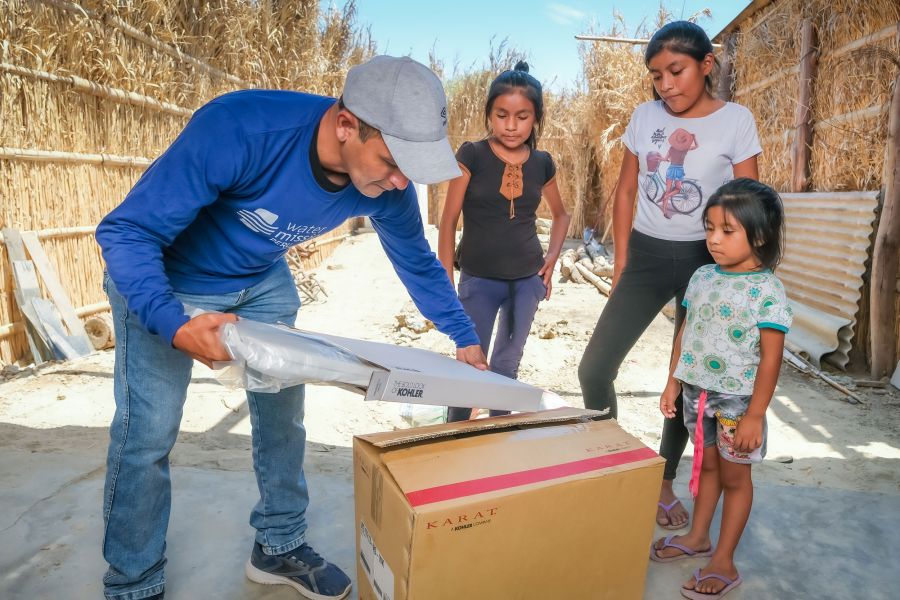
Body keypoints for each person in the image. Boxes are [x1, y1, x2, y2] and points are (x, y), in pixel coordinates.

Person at [95, 55, 488, 600]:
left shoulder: (389, 187)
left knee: (282, 417)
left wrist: (463, 337)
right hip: (167, 278)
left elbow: (418, 262)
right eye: (391, 161)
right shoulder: (243, 128)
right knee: (147, 436)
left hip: (260, 281)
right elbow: (126, 233)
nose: (401, 181)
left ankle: (278, 545)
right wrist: (173, 326)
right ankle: (134, 582)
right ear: (346, 125)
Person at [578, 20, 762, 531]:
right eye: (657, 75)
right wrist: (620, 263)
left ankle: (662, 480)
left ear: (705, 65)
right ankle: (610, 464)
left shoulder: (736, 121)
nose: (666, 85)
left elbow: (751, 201)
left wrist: (743, 275)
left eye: (676, 71)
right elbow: (625, 191)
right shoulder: (643, 117)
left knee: (687, 381)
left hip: (709, 263)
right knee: (594, 369)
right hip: (645, 256)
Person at [650, 178, 791, 599]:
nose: (713, 239)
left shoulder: (768, 291)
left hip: (737, 401)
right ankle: (698, 537)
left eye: (727, 231)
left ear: (760, 235)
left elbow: (770, 358)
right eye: (709, 227)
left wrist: (755, 415)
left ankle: (724, 560)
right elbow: (687, 332)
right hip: (699, 393)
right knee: (706, 465)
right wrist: (673, 382)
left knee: (735, 476)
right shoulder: (701, 277)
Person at [437, 61, 570, 422]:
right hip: (478, 279)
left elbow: (561, 214)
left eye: (522, 116)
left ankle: (497, 439)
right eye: (502, 115)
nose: (511, 126)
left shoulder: (542, 162)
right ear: (489, 115)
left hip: (526, 282)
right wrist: (445, 280)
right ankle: (454, 441)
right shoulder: (472, 155)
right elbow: (447, 220)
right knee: (468, 365)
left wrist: (552, 259)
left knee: (505, 367)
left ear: (535, 118)